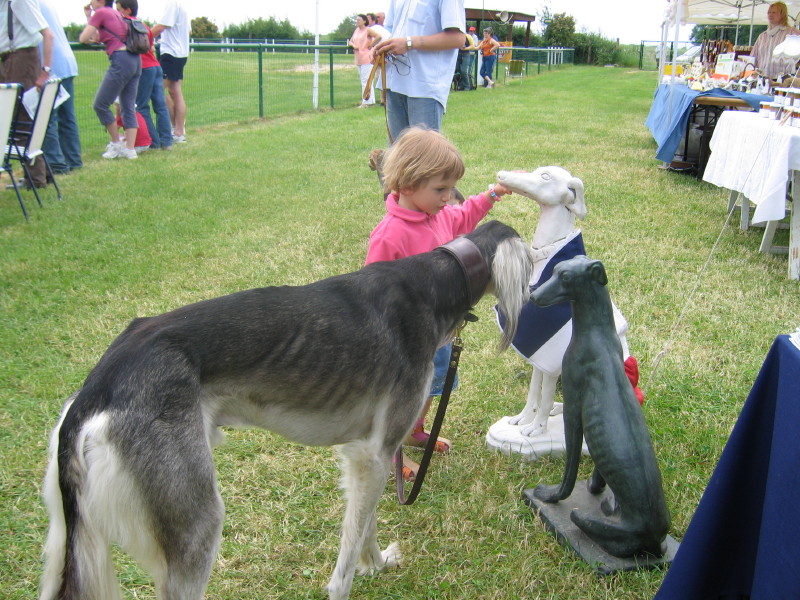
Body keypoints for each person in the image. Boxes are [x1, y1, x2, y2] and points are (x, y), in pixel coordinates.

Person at [365, 126, 513, 481]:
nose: (449, 197)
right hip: (406, 344)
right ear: (407, 184)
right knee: (401, 399)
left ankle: (415, 430)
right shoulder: (390, 236)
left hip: (441, 334)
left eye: (450, 188)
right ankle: (388, 455)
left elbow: (466, 216)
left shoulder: (440, 215)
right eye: (440, 189)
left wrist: (494, 193)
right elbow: (371, 293)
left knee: (431, 387)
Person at [372, 0, 465, 142]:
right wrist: (381, 48)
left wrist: (409, 43)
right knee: (397, 157)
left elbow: (457, 38)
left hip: (424, 86)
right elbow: (391, 30)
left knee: (424, 159)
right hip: (394, 81)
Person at [0, 0, 54, 188]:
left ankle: (35, 178)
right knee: (19, 118)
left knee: (21, 118)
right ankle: (39, 175)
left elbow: (48, 34)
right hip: (11, 58)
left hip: (20, 59)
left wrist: (45, 71)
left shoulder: (19, 2)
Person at [79, 0, 140, 160]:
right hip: (135, 60)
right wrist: (89, 17)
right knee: (128, 105)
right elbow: (99, 36)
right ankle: (130, 149)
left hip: (120, 60)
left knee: (100, 104)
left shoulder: (101, 13)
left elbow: (84, 38)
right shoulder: (116, 13)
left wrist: (90, 18)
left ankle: (116, 144)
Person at [116, 0, 171, 150]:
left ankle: (154, 142)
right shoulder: (143, 25)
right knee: (160, 106)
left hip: (144, 68)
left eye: (118, 9)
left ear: (127, 10)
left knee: (141, 106)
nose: (116, 13)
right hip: (155, 66)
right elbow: (151, 47)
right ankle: (166, 141)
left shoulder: (124, 25)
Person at [39, 0, 81, 175]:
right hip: (66, 63)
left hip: (52, 66)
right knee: (67, 116)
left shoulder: (29, 4)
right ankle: (73, 160)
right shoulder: (46, 4)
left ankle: (56, 165)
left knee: (47, 118)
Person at [151, 0, 189, 143]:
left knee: (156, 89)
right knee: (174, 90)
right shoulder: (181, 5)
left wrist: (144, 36)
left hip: (172, 54)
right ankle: (178, 131)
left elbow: (161, 26)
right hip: (179, 53)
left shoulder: (172, 4)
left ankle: (176, 131)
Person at [751, 1, 800, 80]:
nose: (770, 15)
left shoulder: (791, 33)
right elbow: (753, 58)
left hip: (782, 80)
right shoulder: (762, 36)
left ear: (782, 14)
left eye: (774, 12)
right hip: (762, 79)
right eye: (769, 12)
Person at [348, 14, 380, 107]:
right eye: (356, 20)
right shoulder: (356, 30)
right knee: (364, 79)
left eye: (359, 20)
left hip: (366, 57)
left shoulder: (368, 30)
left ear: (364, 21)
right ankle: (370, 100)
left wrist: (371, 45)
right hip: (358, 57)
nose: (357, 21)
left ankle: (366, 101)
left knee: (365, 80)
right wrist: (354, 46)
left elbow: (378, 36)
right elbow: (351, 41)